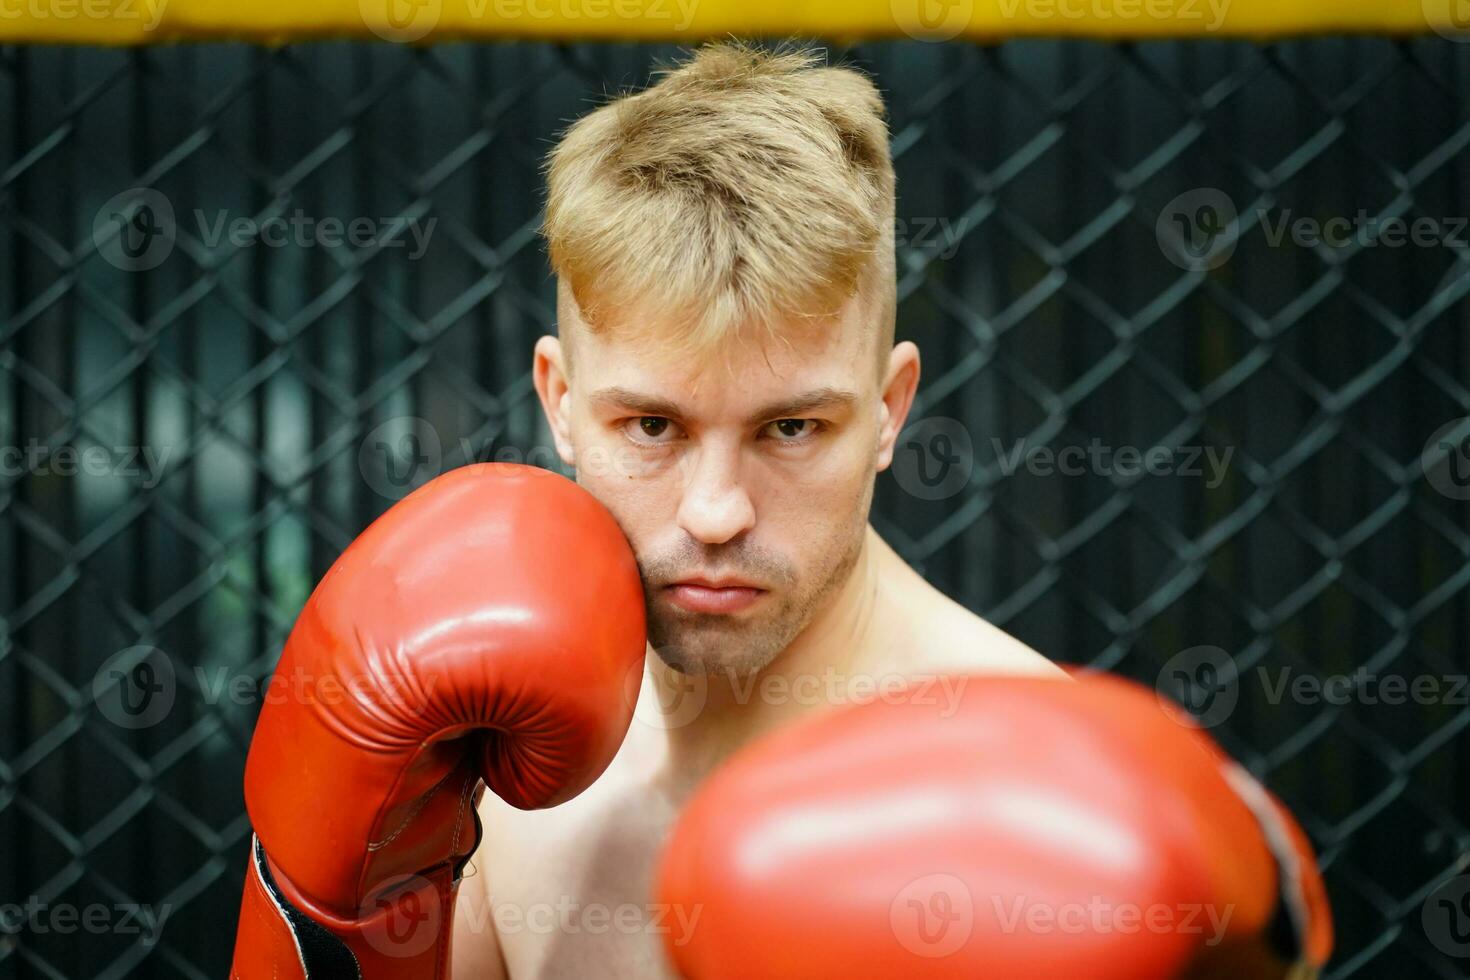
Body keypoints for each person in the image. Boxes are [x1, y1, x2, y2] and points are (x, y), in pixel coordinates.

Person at [229, 42, 1328, 980]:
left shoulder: (1029, 811)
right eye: (652, 427)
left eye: (790, 428)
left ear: (890, 409)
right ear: (560, 401)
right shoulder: (484, 755)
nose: (714, 511)